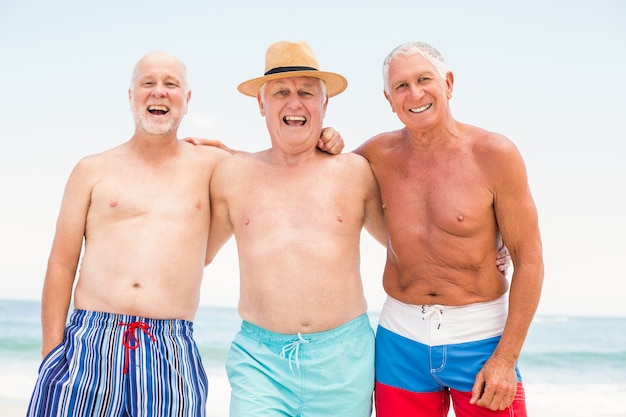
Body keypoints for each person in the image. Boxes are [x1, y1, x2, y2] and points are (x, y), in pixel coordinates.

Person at [26, 50, 342, 417]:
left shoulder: (212, 165)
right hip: (89, 341)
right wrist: (52, 351)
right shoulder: (92, 169)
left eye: (171, 85)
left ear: (187, 100)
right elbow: (62, 263)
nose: (159, 92)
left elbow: (279, 167)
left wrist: (324, 139)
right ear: (131, 95)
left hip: (170, 345)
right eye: (148, 83)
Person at [354, 41, 544, 417]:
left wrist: (505, 358)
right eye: (402, 86)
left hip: (480, 339)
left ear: (449, 84)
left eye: (424, 79)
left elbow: (531, 262)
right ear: (389, 99)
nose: (415, 93)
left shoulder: (494, 154)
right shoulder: (376, 155)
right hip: (399, 340)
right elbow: (317, 176)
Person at [205, 40, 387, 417]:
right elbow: (195, 254)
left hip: (345, 363)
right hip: (261, 363)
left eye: (307, 92)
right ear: (261, 103)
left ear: (325, 104)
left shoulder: (354, 171)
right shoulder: (231, 174)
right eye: (281, 92)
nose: (294, 102)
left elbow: (408, 246)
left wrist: (486, 247)